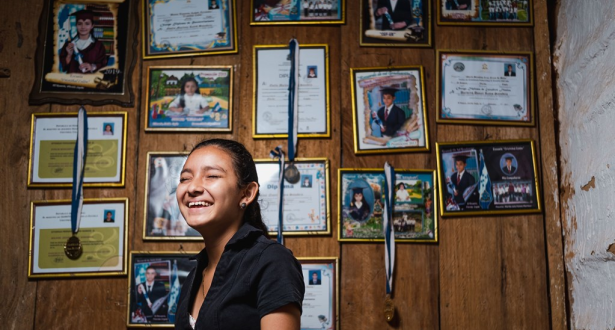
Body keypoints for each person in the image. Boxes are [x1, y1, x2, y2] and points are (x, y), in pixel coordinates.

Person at [174, 139, 304, 330]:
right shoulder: (194, 274)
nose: (193, 188)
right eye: (185, 178)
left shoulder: (272, 261)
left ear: (246, 194)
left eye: (211, 175)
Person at [59, 9, 108, 74]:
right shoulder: (69, 45)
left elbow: (103, 65)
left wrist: (91, 66)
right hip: (71, 80)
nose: (83, 27)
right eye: (80, 23)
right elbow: (64, 67)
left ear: (92, 26)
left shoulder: (98, 45)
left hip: (89, 81)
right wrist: (69, 55)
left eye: (87, 24)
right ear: (76, 25)